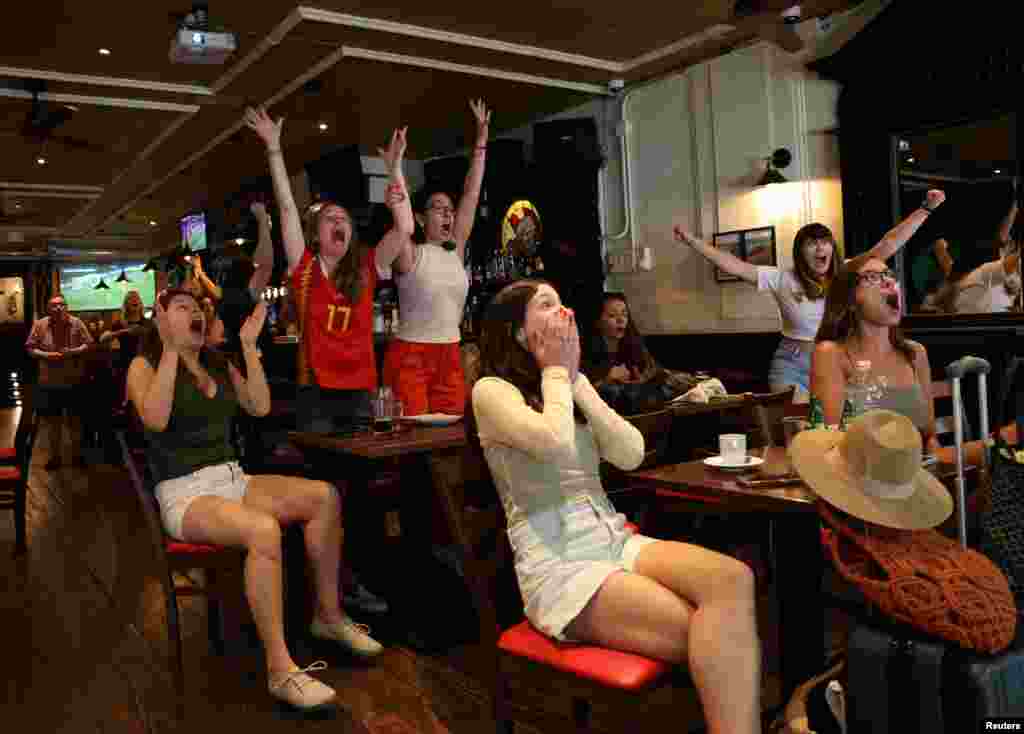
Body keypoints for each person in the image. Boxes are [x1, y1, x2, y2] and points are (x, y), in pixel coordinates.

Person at [470, 279, 761, 734]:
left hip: (614, 539)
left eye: (563, 300)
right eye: (547, 305)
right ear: (518, 333)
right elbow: (552, 440)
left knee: (733, 580)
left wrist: (576, 378)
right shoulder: (491, 390)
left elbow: (631, 452)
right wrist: (555, 372)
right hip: (560, 567)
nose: (564, 311)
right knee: (710, 632)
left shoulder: (568, 384)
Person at [126, 288, 379, 710]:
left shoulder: (217, 362)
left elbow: (259, 406)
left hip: (233, 479)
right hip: (185, 494)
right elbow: (154, 418)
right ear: (161, 319)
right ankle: (281, 670)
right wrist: (170, 349)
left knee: (324, 497)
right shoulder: (143, 364)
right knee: (263, 531)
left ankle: (329, 617)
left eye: (197, 307)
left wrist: (247, 346)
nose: (195, 313)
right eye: (182, 308)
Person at [246, 105, 409, 617]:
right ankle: (328, 588)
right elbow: (289, 211)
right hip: (317, 398)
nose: (337, 223)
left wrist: (397, 170)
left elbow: (404, 228)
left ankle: (353, 584)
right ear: (318, 235)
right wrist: (274, 149)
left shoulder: (366, 266)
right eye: (329, 220)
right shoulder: (304, 272)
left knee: (360, 499)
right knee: (327, 497)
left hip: (361, 396)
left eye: (343, 219)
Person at [673, 189, 946, 401]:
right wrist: (693, 242)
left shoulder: (846, 274)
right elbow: (734, 265)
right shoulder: (781, 278)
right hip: (791, 366)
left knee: (841, 429)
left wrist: (925, 209)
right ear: (800, 251)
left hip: (840, 360)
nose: (820, 248)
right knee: (807, 432)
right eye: (812, 243)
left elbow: (888, 244)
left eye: (825, 242)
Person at [378, 100, 490, 416]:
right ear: (422, 218)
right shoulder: (410, 252)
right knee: (412, 438)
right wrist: (395, 168)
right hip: (411, 352)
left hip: (450, 353)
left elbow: (471, 192)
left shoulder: (457, 247)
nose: (448, 214)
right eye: (438, 208)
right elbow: (401, 218)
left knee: (450, 434)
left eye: (449, 210)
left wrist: (481, 141)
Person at [810, 255, 940, 453]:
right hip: (859, 477)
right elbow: (830, 441)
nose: (888, 280)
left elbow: (929, 436)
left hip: (917, 473)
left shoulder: (915, 353)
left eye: (888, 274)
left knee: (995, 446)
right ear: (850, 301)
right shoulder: (831, 353)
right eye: (872, 276)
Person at [25, 294, 94, 469]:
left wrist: (73, 351)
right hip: (49, 382)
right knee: (52, 422)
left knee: (74, 422)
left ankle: (77, 456)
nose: (58, 308)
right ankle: (55, 457)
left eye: (61, 305)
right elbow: (30, 348)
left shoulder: (77, 323)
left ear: (67, 307)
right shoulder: (40, 324)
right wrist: (48, 355)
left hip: (73, 380)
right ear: (48, 309)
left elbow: (89, 344)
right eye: (54, 305)